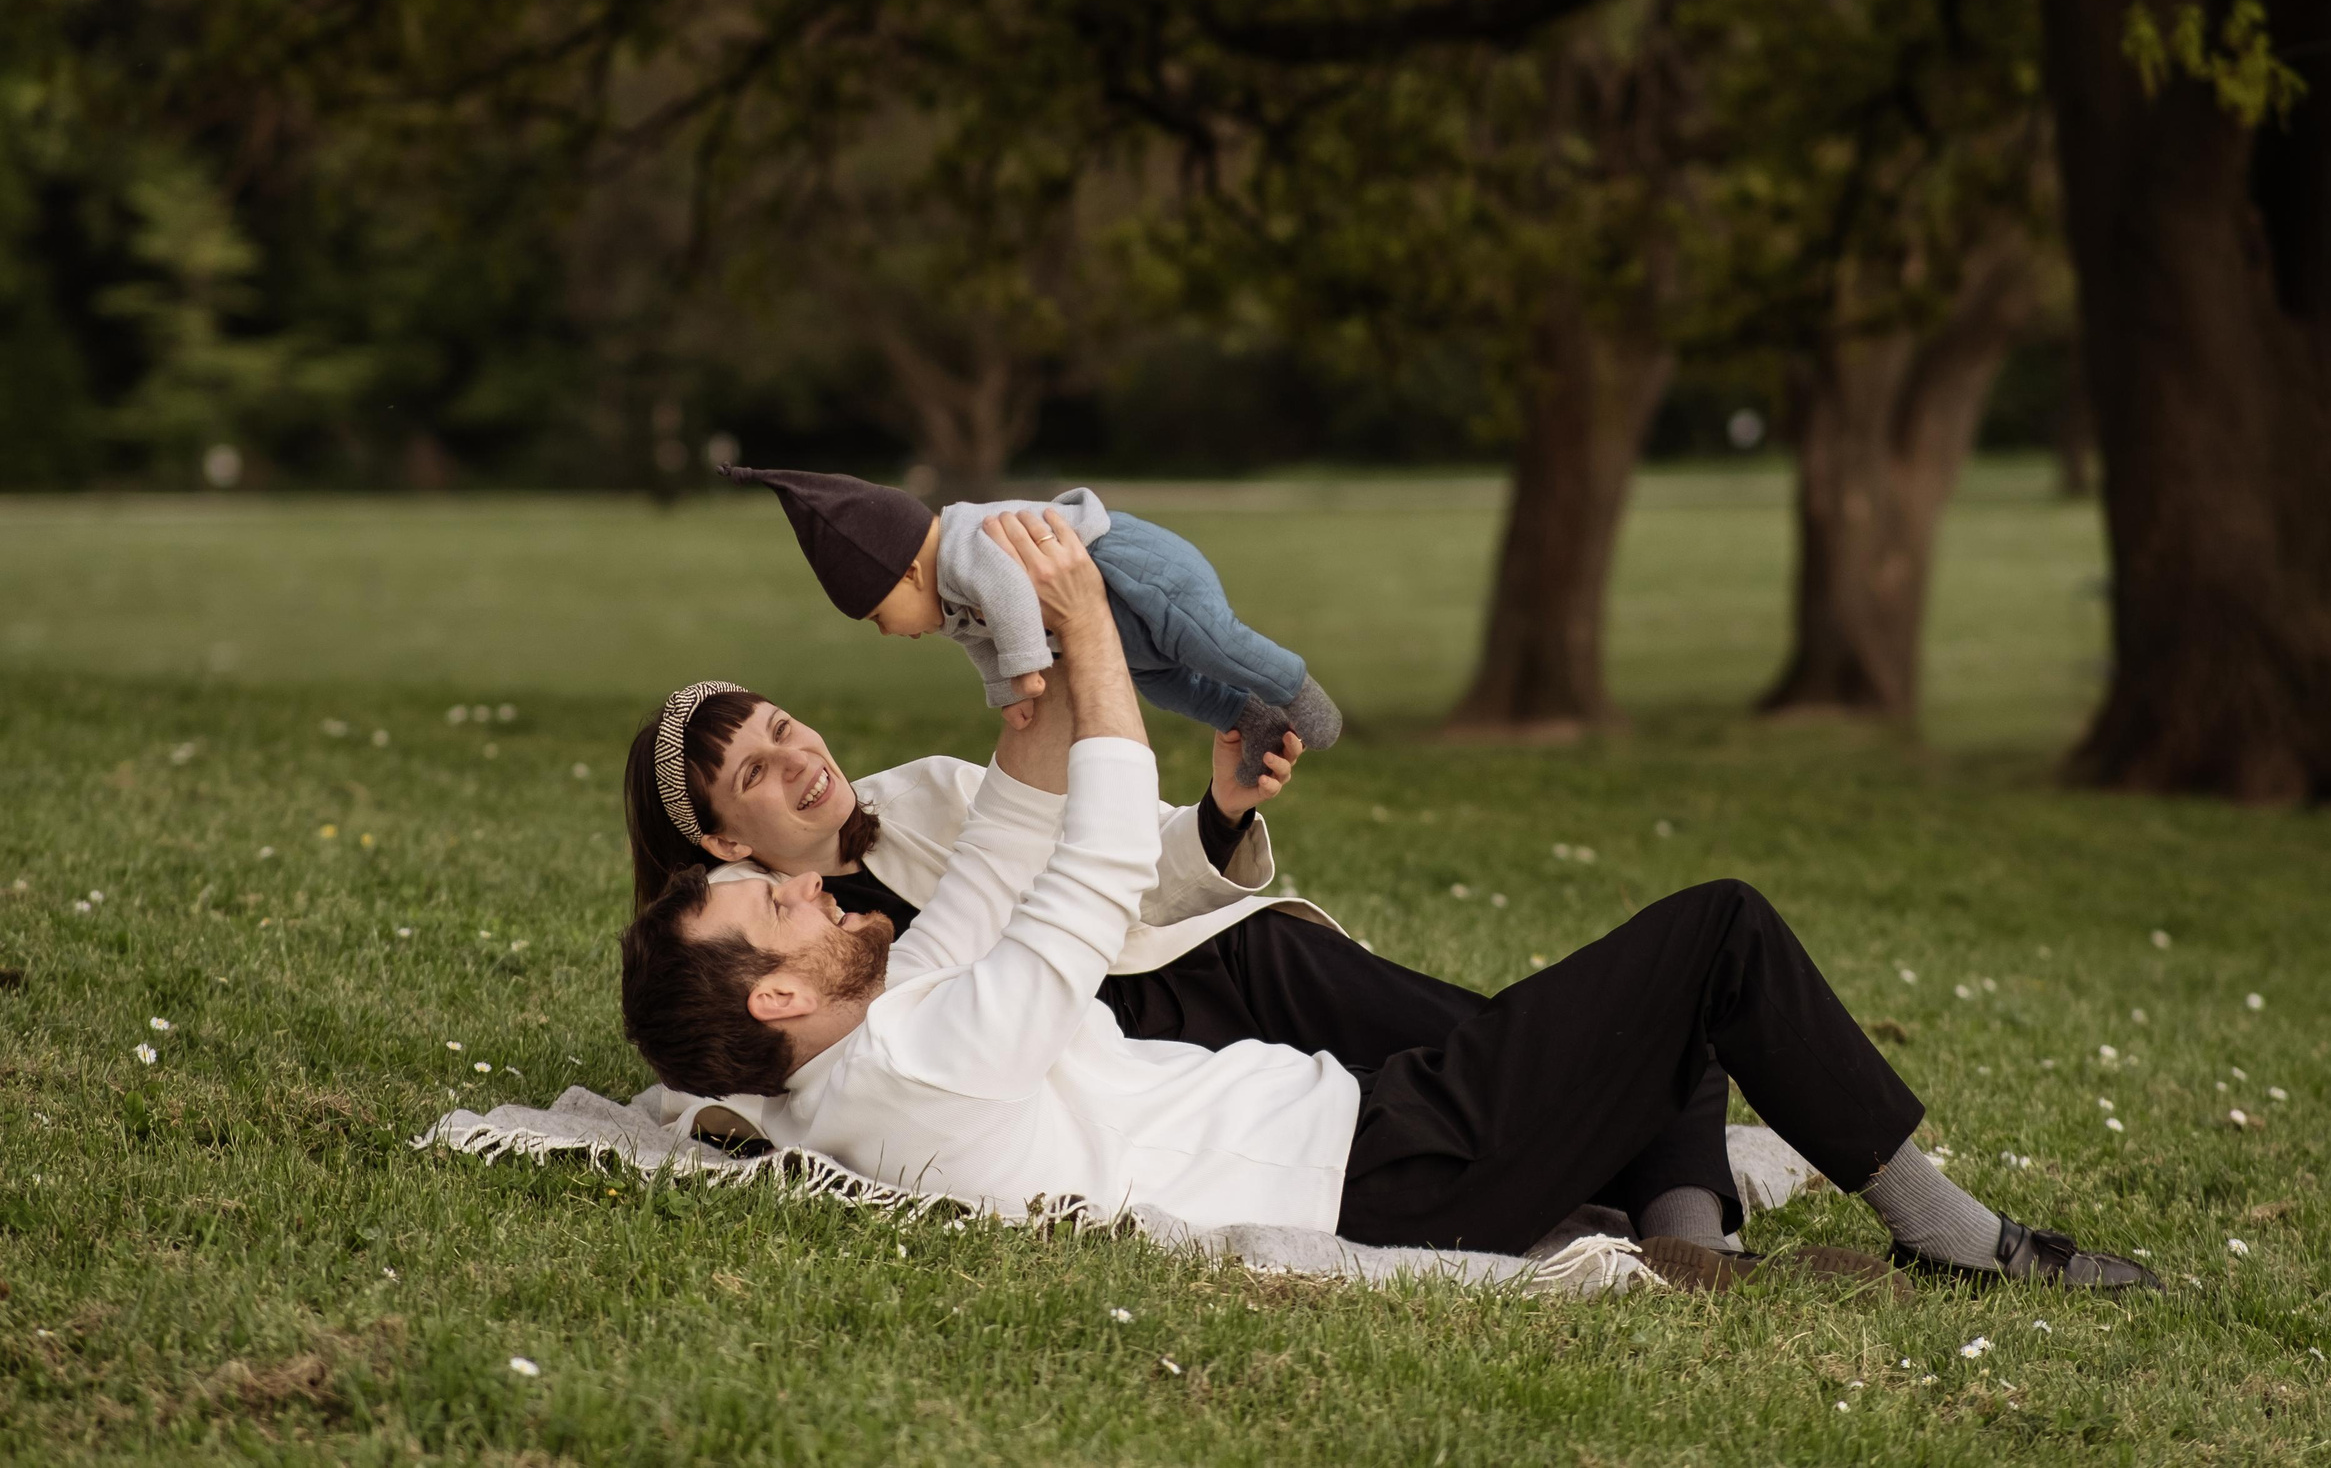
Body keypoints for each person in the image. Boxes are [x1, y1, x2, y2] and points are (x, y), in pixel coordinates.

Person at [622, 511, 2157, 1291]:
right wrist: (1090, 622)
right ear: (774, 995)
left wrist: (1010, 631)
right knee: (1717, 933)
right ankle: (1953, 1240)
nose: (792, 891)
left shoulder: (872, 1031)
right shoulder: (910, 1061)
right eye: (767, 908)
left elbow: (1022, 820)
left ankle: (1694, 1230)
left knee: (1636, 1010)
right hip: (1381, 1170)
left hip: (1369, 1126)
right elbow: (1083, 871)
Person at [621, 675, 1772, 1283]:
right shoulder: (773, 997)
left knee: (1559, 1037)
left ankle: (1670, 1211)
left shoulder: (919, 805)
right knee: (1629, 1029)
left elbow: (1062, 845)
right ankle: (1684, 1234)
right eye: (758, 774)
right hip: (1119, 1057)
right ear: (725, 842)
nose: (800, 761)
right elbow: (722, 1076)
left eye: (785, 729)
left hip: (1197, 982)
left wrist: (1216, 810)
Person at [719, 463, 1339, 782]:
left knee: (1207, 642)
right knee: (1163, 680)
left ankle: (1296, 691)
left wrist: (1026, 668)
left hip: (1132, 568)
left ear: (905, 574)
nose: (893, 634)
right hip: (1105, 622)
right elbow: (982, 643)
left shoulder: (965, 544)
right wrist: (1006, 691)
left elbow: (1010, 590)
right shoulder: (951, 608)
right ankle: (1246, 717)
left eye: (881, 617)